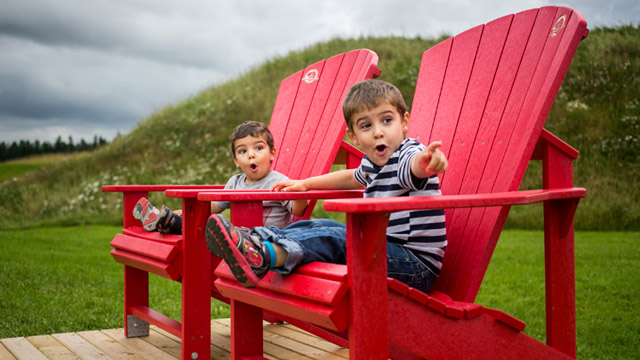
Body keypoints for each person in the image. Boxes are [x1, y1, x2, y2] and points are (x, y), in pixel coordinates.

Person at [205, 79, 448, 293]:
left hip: (415, 265)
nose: (378, 133)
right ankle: (252, 241)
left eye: (386, 120)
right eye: (366, 126)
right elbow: (350, 176)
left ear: (404, 122)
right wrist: (305, 184)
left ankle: (262, 256)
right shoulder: (373, 163)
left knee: (334, 236)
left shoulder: (409, 153)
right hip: (386, 250)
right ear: (353, 136)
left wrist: (427, 163)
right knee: (318, 224)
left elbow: (414, 168)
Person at [133, 121, 308, 234]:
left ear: (272, 153)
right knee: (212, 221)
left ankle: (169, 223)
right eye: (242, 151)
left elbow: (298, 211)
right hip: (239, 239)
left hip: (270, 241)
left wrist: (300, 192)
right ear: (236, 161)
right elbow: (213, 207)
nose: (251, 155)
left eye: (259, 148)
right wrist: (188, 213)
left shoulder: (279, 182)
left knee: (220, 225)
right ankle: (165, 220)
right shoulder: (235, 182)